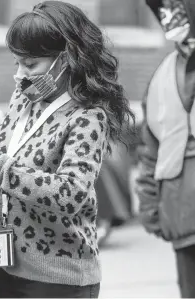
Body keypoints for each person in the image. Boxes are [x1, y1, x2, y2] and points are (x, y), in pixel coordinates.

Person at [0, 1, 135, 298]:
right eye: (17, 63)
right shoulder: (25, 96)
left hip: (59, 278)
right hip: (8, 263)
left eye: (31, 64)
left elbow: (71, 194)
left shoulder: (89, 117)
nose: (21, 74)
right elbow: (1, 146)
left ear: (66, 59)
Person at [136, 0, 195, 297]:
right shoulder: (162, 76)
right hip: (182, 217)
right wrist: (149, 204)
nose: (170, 15)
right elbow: (151, 149)